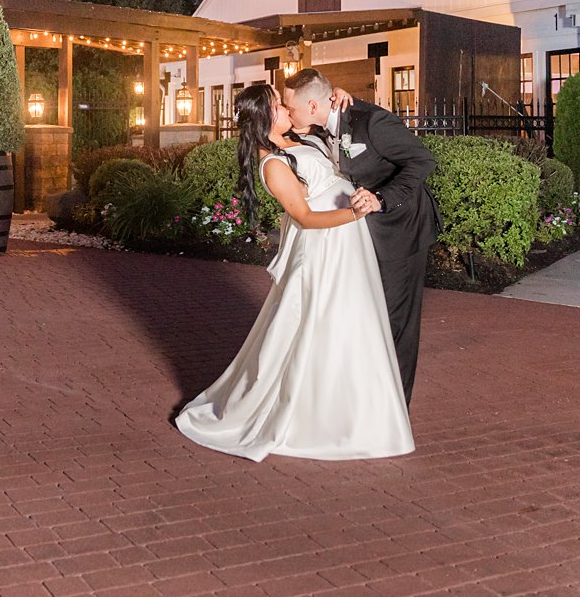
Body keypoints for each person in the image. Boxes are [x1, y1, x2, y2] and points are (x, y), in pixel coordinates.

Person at [174, 83, 414, 461]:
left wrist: (344, 96)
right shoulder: (274, 164)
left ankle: (362, 410)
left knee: (355, 320)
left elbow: (325, 115)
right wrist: (355, 213)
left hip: (348, 244)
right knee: (321, 323)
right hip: (325, 249)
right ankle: (312, 414)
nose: (288, 108)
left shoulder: (301, 139)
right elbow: (304, 217)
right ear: (266, 117)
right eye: (279, 105)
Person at [281, 68, 440, 406]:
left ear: (311, 105)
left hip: (401, 230)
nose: (288, 112)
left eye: (290, 107)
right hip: (362, 237)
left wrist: (381, 198)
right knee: (369, 315)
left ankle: (395, 409)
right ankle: (368, 400)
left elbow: (422, 161)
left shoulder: (372, 123)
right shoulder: (318, 124)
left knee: (397, 322)